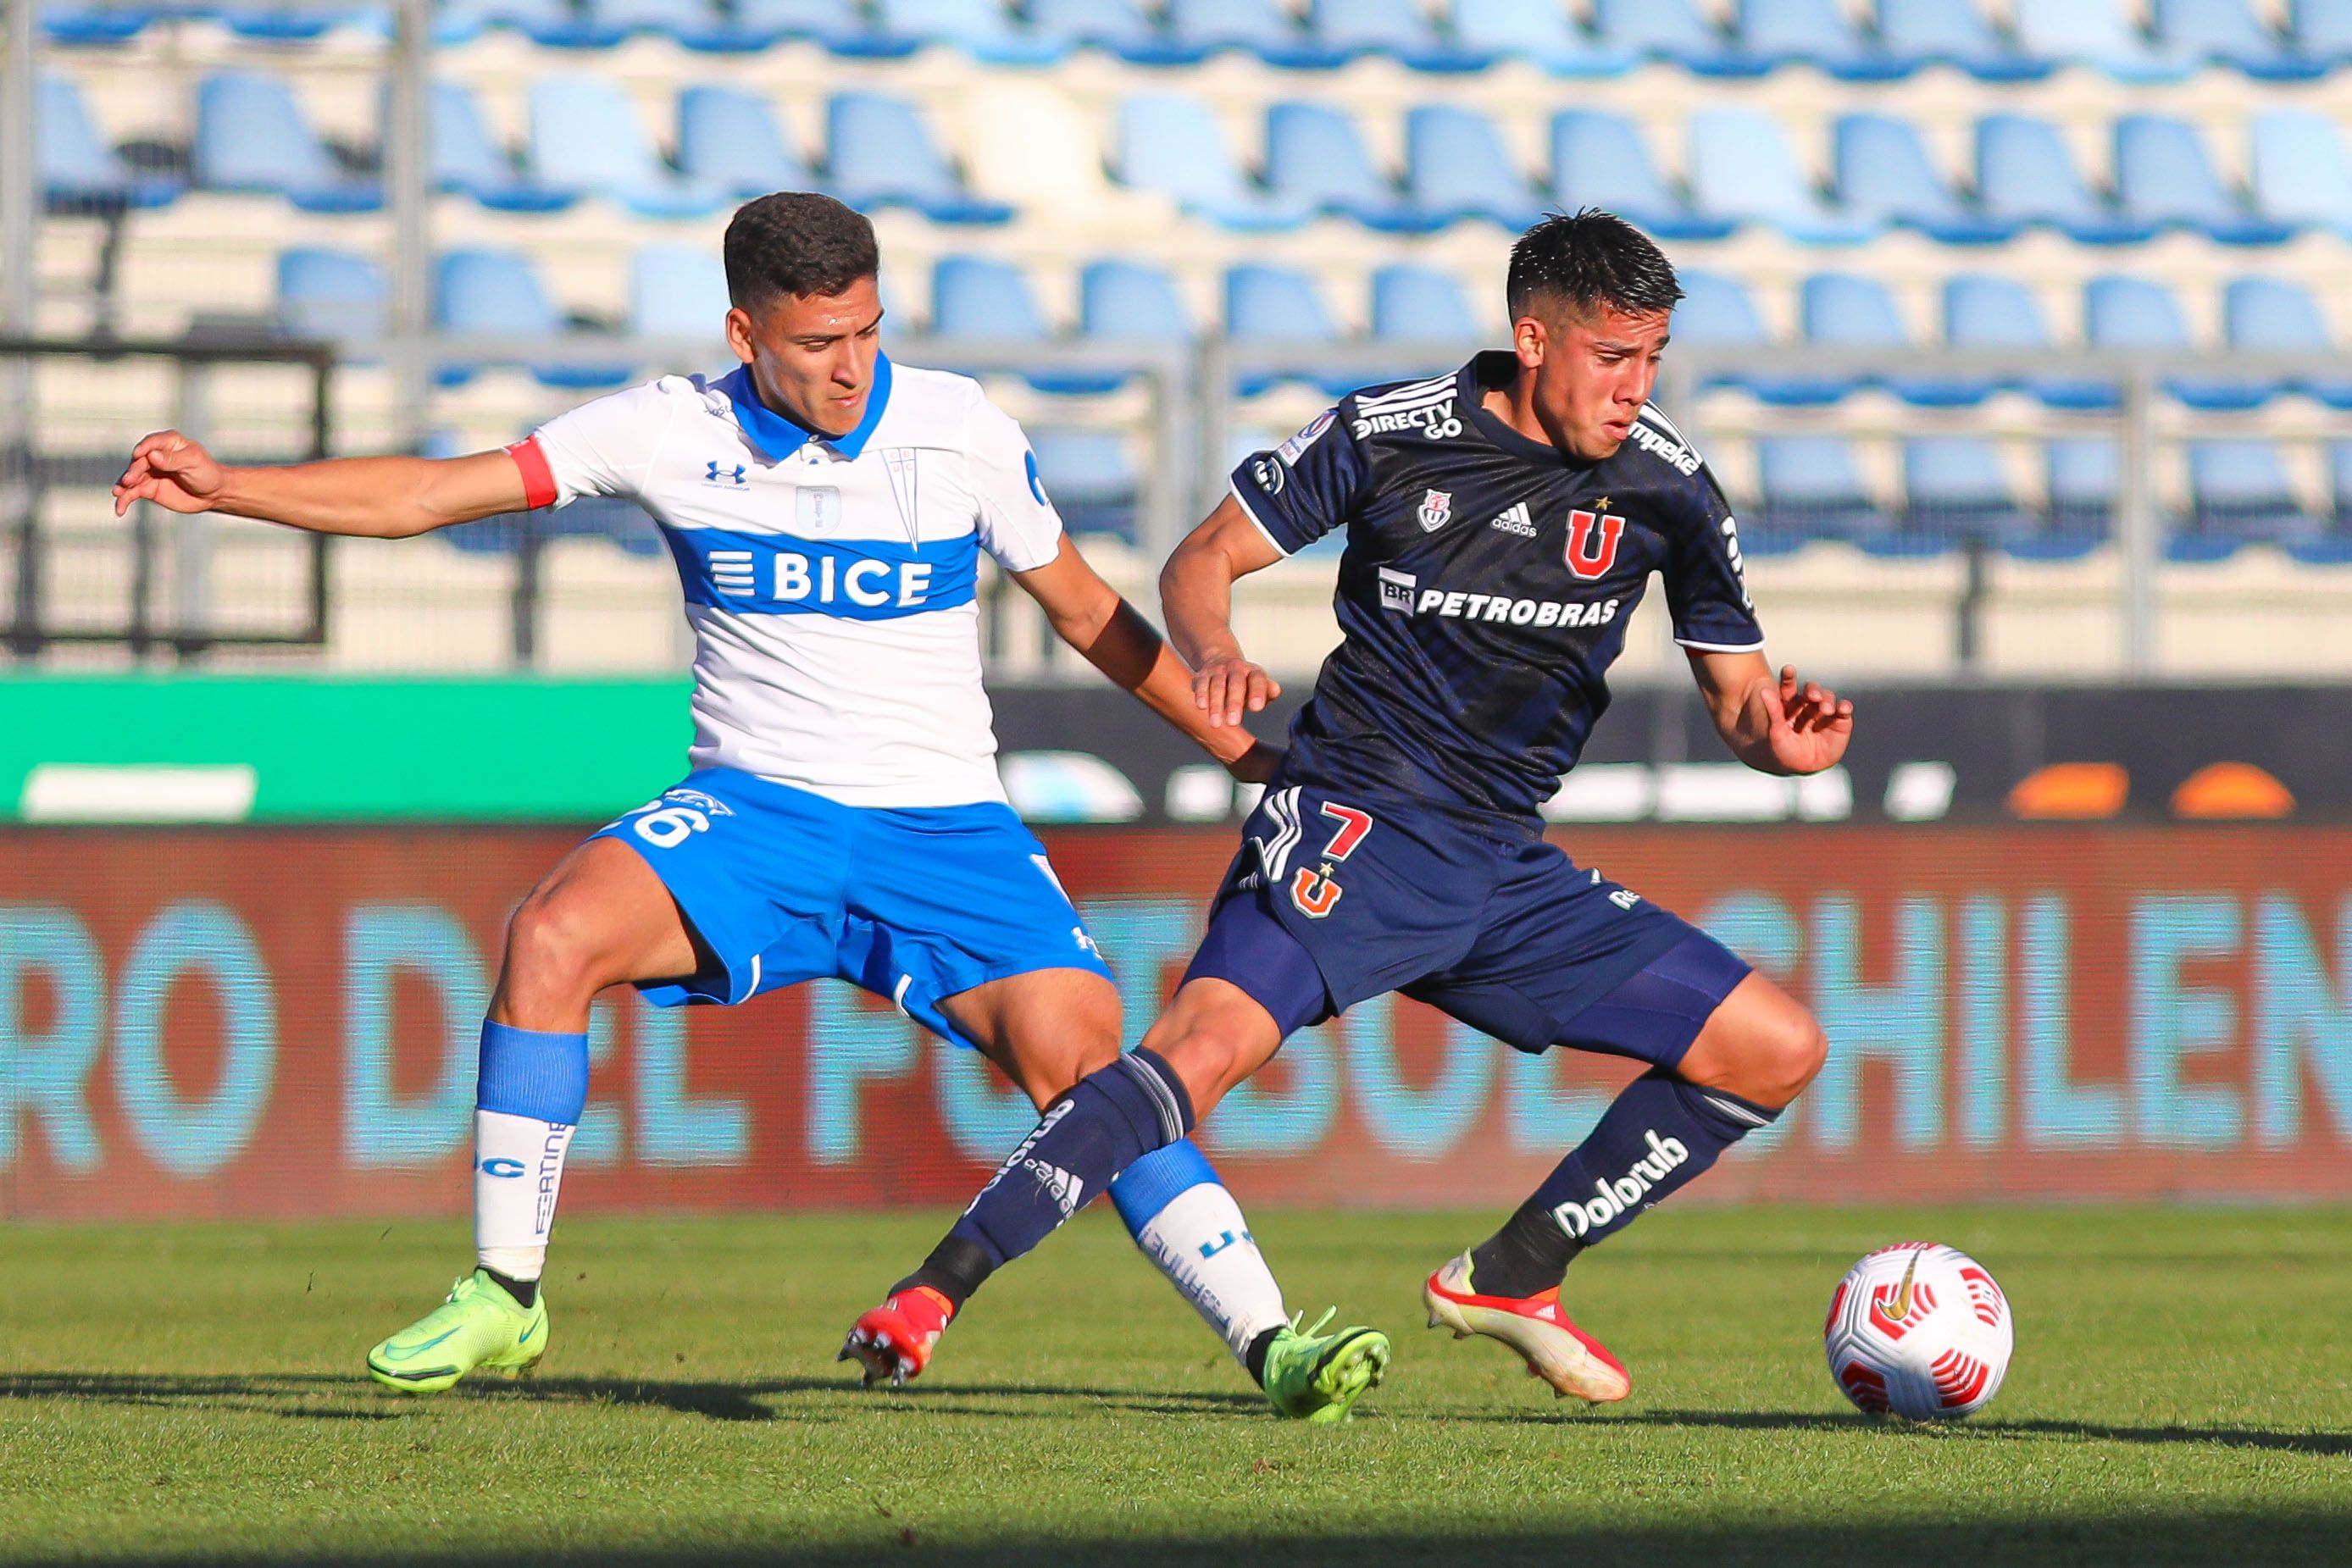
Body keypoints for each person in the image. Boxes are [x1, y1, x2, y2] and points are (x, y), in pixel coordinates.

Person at [112, 192, 1389, 1422]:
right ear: (745, 336)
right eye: (820, 342)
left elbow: (1084, 611)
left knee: (1092, 1072)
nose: (851, 367)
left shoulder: (958, 431)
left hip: (945, 832)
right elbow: (432, 493)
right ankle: (507, 1291)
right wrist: (231, 489)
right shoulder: (670, 430)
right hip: (756, 818)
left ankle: (1273, 1344)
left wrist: (1238, 749)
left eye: (869, 332)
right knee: (551, 936)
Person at [846, 209, 1848, 1406]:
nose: (1636, 389)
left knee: (1775, 1048)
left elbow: (1740, 702)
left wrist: (1780, 746)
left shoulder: (1668, 487)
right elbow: (1199, 561)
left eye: (1653, 361)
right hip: (1357, 820)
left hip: (1499, 865)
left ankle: (1516, 1273)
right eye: (1611, 357)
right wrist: (1212, 650)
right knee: (1193, 1059)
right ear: (1534, 340)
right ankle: (931, 1293)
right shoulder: (1389, 435)